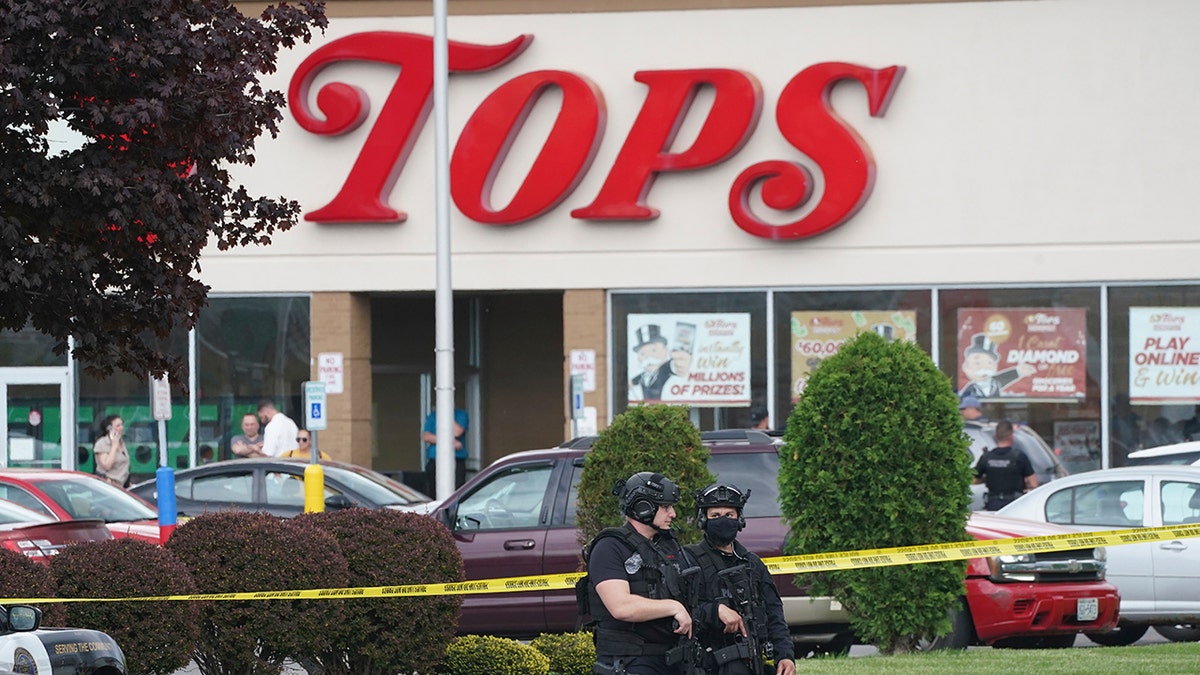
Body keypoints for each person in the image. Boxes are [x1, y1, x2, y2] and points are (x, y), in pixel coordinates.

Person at [582, 472, 695, 675]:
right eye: (666, 507)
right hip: (631, 660)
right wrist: (673, 606)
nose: (673, 514)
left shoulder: (665, 547)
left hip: (671, 657)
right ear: (644, 507)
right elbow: (621, 607)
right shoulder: (610, 547)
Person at [685, 483, 795, 675]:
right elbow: (678, 609)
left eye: (729, 515)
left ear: (739, 519)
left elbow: (774, 614)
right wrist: (714, 611)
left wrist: (784, 655)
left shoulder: (753, 564)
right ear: (703, 520)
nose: (723, 520)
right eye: (715, 516)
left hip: (752, 662)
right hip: (708, 664)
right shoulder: (689, 560)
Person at [974, 420, 1037, 510]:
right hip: (1014, 504)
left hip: (993, 504)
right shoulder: (1019, 456)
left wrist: (987, 478)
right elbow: (1034, 483)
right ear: (1011, 436)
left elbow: (974, 480)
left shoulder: (986, 457)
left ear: (995, 437)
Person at [959, 333, 1035, 400]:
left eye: (989, 363)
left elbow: (1005, 377)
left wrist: (1019, 371)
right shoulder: (970, 389)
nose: (984, 367)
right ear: (966, 367)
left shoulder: (995, 383)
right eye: (977, 363)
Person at [630, 324, 692, 402]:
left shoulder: (665, 368)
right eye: (642, 353)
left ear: (666, 350)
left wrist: (682, 360)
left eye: (653, 350)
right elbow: (632, 382)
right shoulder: (643, 376)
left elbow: (675, 365)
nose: (648, 357)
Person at [423, 408, 469, 490]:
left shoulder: (462, 414)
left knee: (457, 490)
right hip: (435, 460)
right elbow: (426, 437)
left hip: (456, 460)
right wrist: (450, 442)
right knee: (433, 490)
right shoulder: (433, 416)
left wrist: (447, 415)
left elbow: (457, 432)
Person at [93, 414, 131, 488]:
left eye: (122, 425)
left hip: (121, 484)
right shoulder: (102, 443)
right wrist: (114, 446)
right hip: (108, 485)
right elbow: (107, 465)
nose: (121, 428)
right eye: (118, 426)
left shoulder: (122, 443)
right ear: (109, 429)